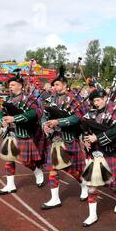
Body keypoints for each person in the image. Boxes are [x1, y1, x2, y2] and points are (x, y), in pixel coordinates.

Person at [81, 89, 116, 226]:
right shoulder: (90, 114)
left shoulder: (115, 113)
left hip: (110, 153)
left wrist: (98, 138)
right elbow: (85, 130)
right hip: (96, 155)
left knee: (111, 184)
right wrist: (86, 140)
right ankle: (92, 215)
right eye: (94, 101)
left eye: (99, 100)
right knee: (92, 186)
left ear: (106, 98)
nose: (96, 103)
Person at [41, 66, 88, 210]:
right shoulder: (51, 99)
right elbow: (45, 115)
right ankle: (55, 199)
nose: (55, 87)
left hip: (69, 138)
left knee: (72, 169)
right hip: (55, 139)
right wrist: (45, 125)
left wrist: (59, 122)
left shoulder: (73, 98)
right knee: (53, 168)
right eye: (54, 85)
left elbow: (78, 117)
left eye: (57, 85)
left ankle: (83, 183)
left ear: (65, 85)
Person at [0, 73, 45, 195]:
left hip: (24, 133)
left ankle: (37, 170)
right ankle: (10, 185)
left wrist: (15, 119)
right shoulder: (8, 99)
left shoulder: (28, 99)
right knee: (9, 159)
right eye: (9, 85)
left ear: (20, 86)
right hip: (11, 134)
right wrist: (3, 120)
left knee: (26, 161)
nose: (10, 87)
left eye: (13, 85)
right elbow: (1, 113)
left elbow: (34, 113)